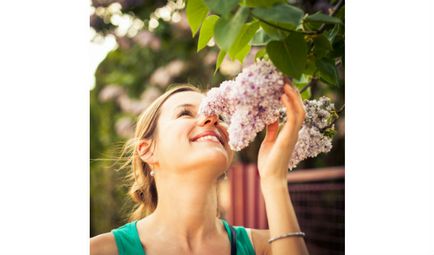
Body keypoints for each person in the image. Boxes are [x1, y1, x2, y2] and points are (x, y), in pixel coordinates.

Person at [90, 82, 309, 255]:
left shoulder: (270, 246)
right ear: (147, 150)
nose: (211, 118)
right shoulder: (98, 251)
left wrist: (273, 180)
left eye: (218, 114)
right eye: (185, 113)